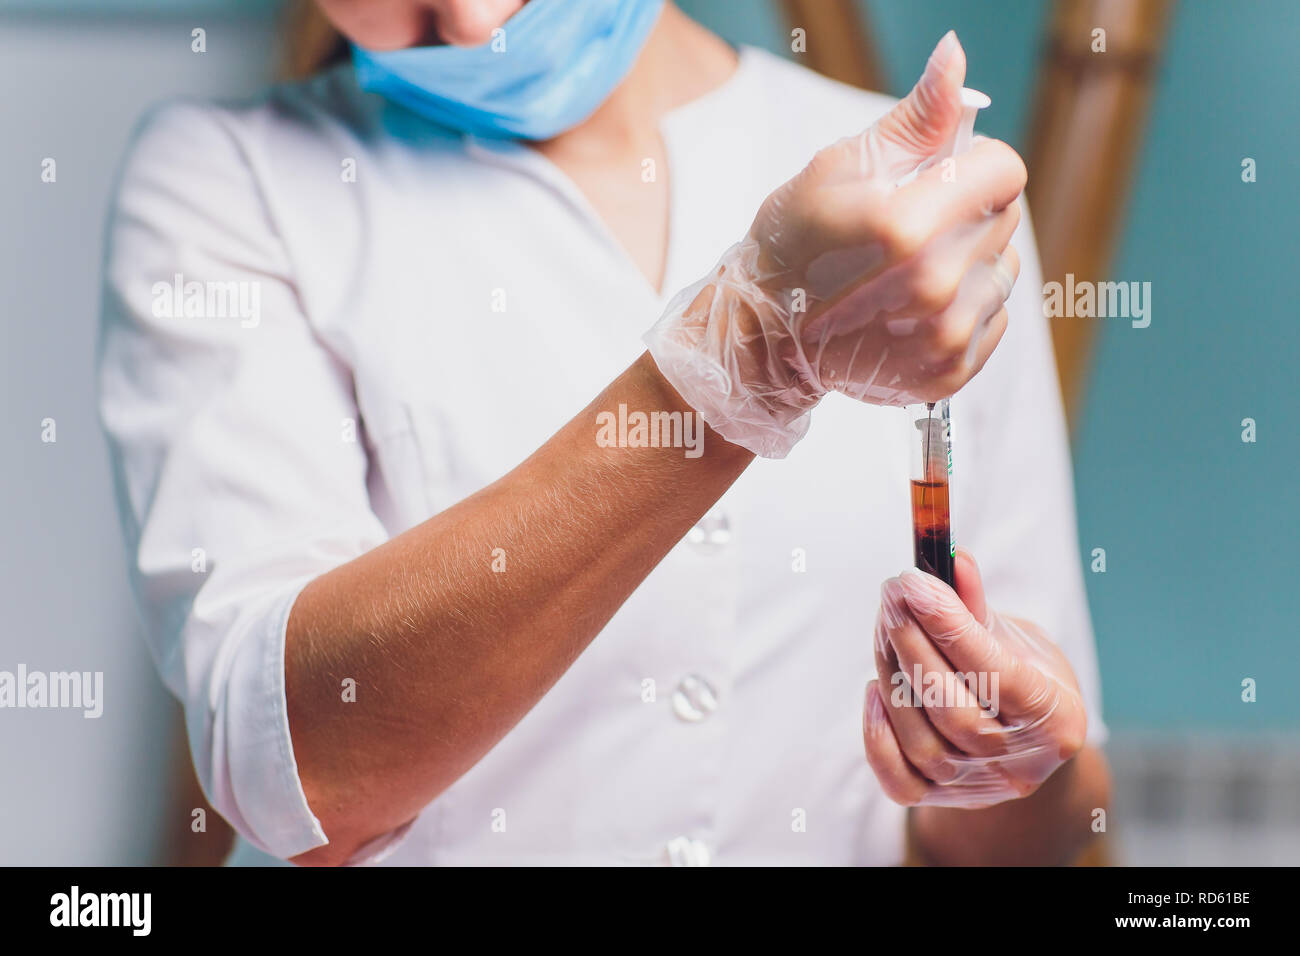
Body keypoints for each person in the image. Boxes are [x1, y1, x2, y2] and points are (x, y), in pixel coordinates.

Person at [98, 0, 1109, 867]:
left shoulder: (926, 207)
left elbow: (1041, 814)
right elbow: (301, 770)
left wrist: (998, 755)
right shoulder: (225, 182)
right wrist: (739, 354)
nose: (470, 21)